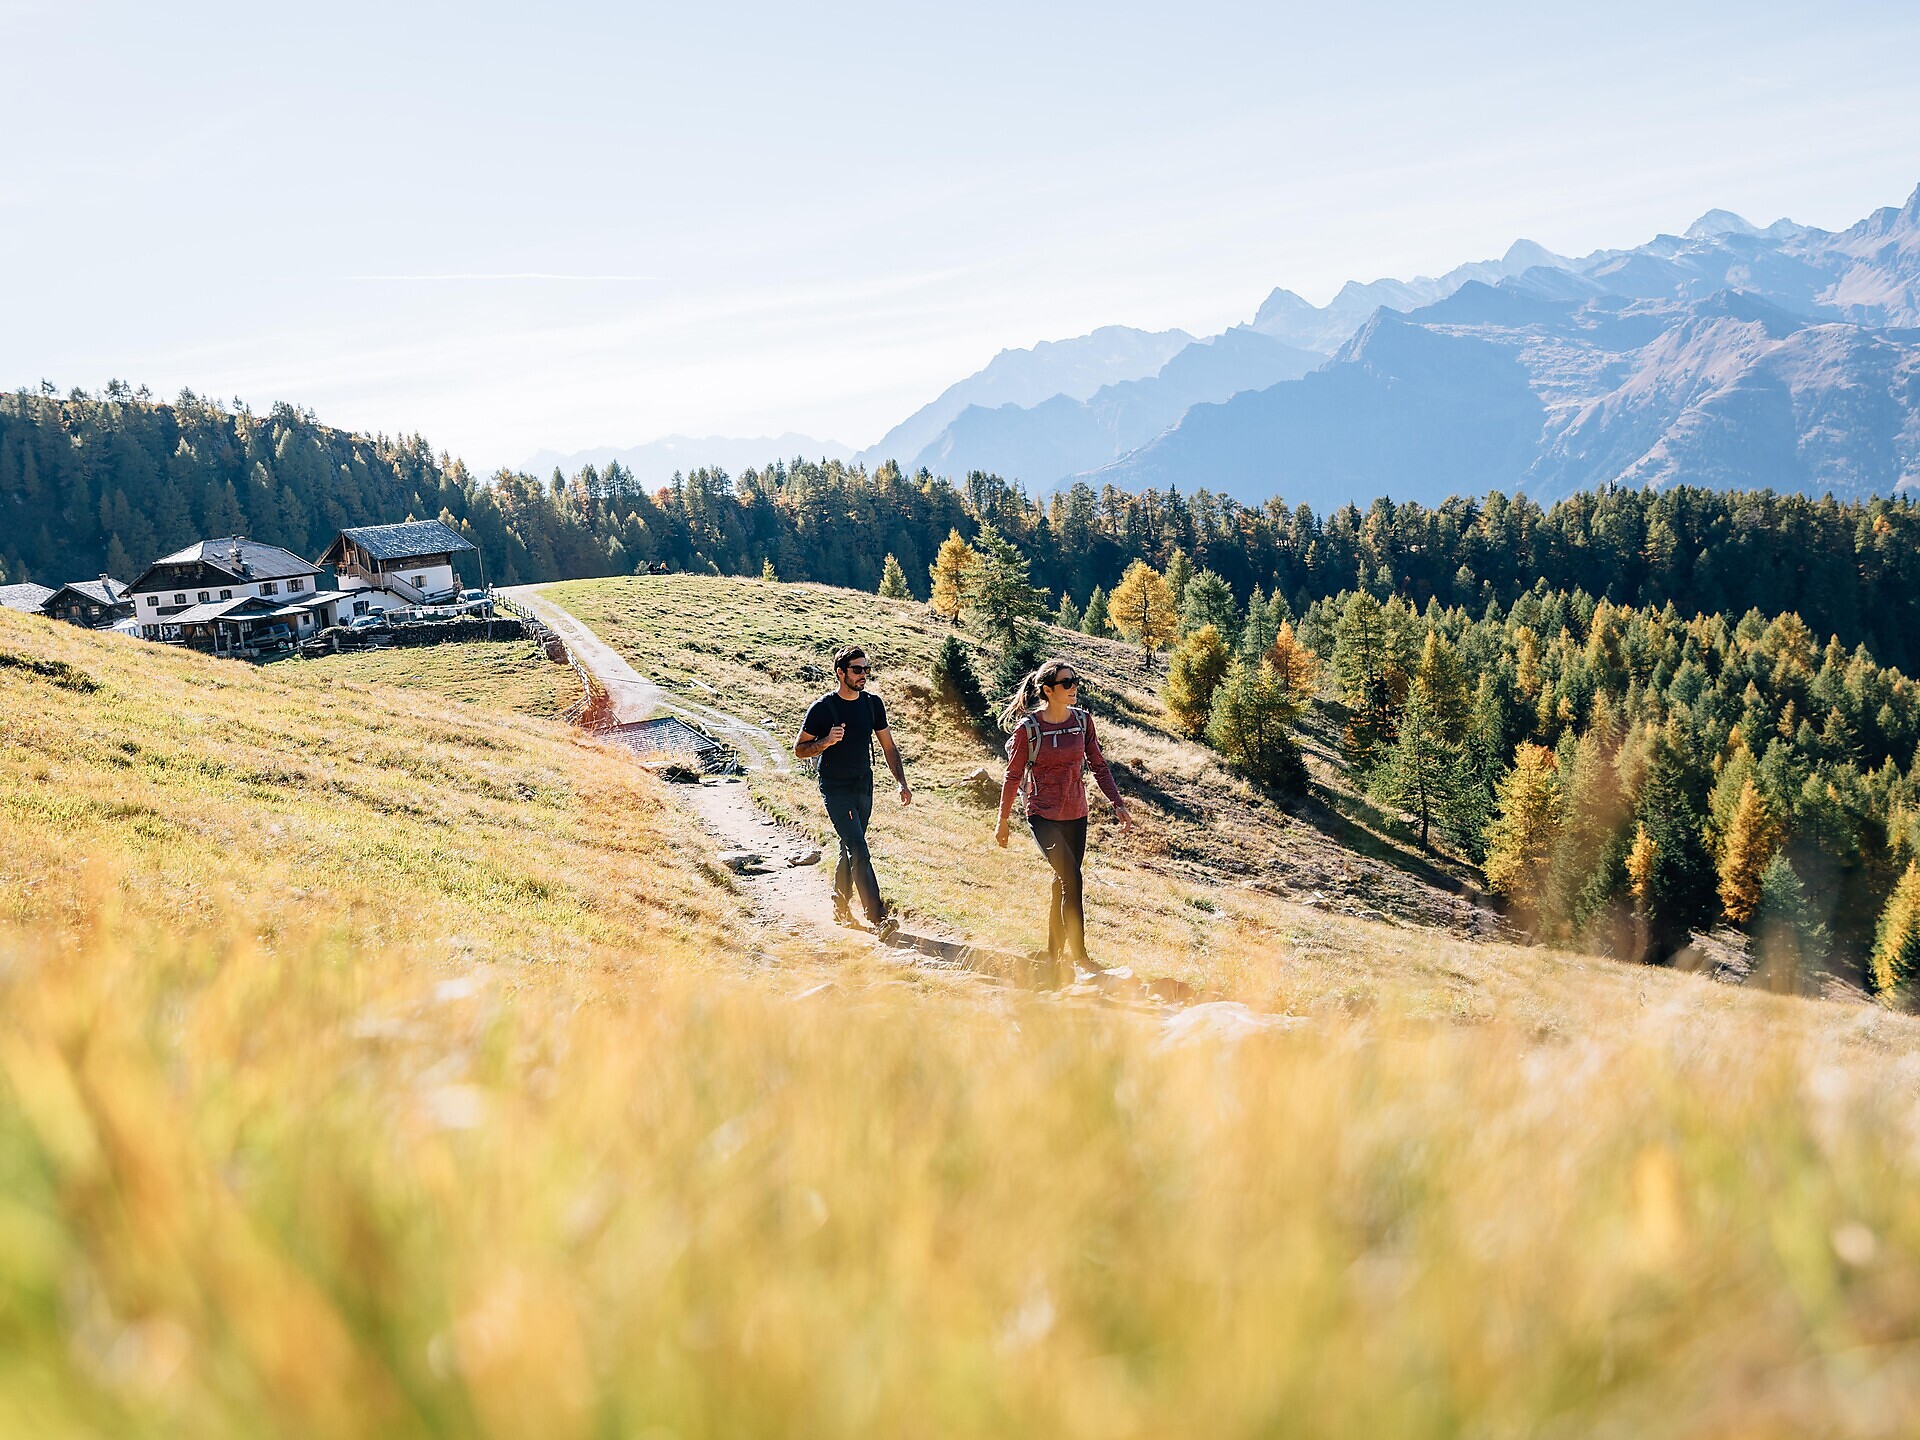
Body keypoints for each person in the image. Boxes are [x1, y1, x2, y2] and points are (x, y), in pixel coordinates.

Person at [994, 658, 1132, 973]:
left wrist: (1117, 802)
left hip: (1076, 814)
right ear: (1048, 690)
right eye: (1066, 683)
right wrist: (1003, 820)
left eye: (1075, 681)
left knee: (1063, 882)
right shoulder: (1029, 729)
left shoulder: (1082, 722)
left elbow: (1098, 765)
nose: (1074, 688)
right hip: (1042, 815)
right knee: (1072, 878)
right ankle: (1080, 956)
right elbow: (1012, 776)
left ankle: (1052, 956)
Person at [794, 644, 910, 935]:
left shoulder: (872, 704)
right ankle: (878, 917)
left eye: (866, 669)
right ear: (840, 672)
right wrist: (825, 742)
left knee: (851, 845)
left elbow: (888, 746)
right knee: (858, 846)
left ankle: (839, 907)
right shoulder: (823, 708)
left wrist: (901, 782)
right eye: (857, 669)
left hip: (863, 784)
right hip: (836, 787)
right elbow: (799, 749)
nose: (863, 674)